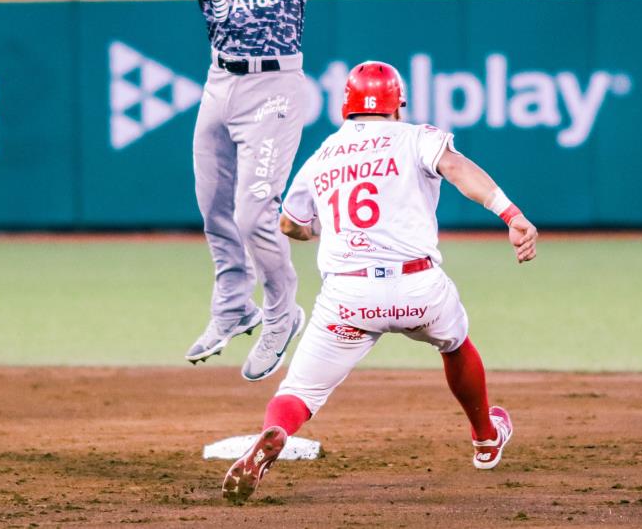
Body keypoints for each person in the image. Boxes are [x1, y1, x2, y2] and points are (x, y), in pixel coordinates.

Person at [67, 0, 379, 382]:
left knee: (253, 213)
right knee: (213, 208)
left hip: (275, 85)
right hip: (220, 84)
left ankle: (282, 313)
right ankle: (232, 306)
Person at [220, 61, 539, 503]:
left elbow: (290, 225)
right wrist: (511, 214)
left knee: (298, 391)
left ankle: (275, 432)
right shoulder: (415, 137)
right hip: (418, 290)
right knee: (455, 343)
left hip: (349, 298)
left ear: (346, 107)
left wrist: (319, 230)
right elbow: (458, 168)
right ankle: (486, 438)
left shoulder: (324, 155)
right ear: (397, 106)